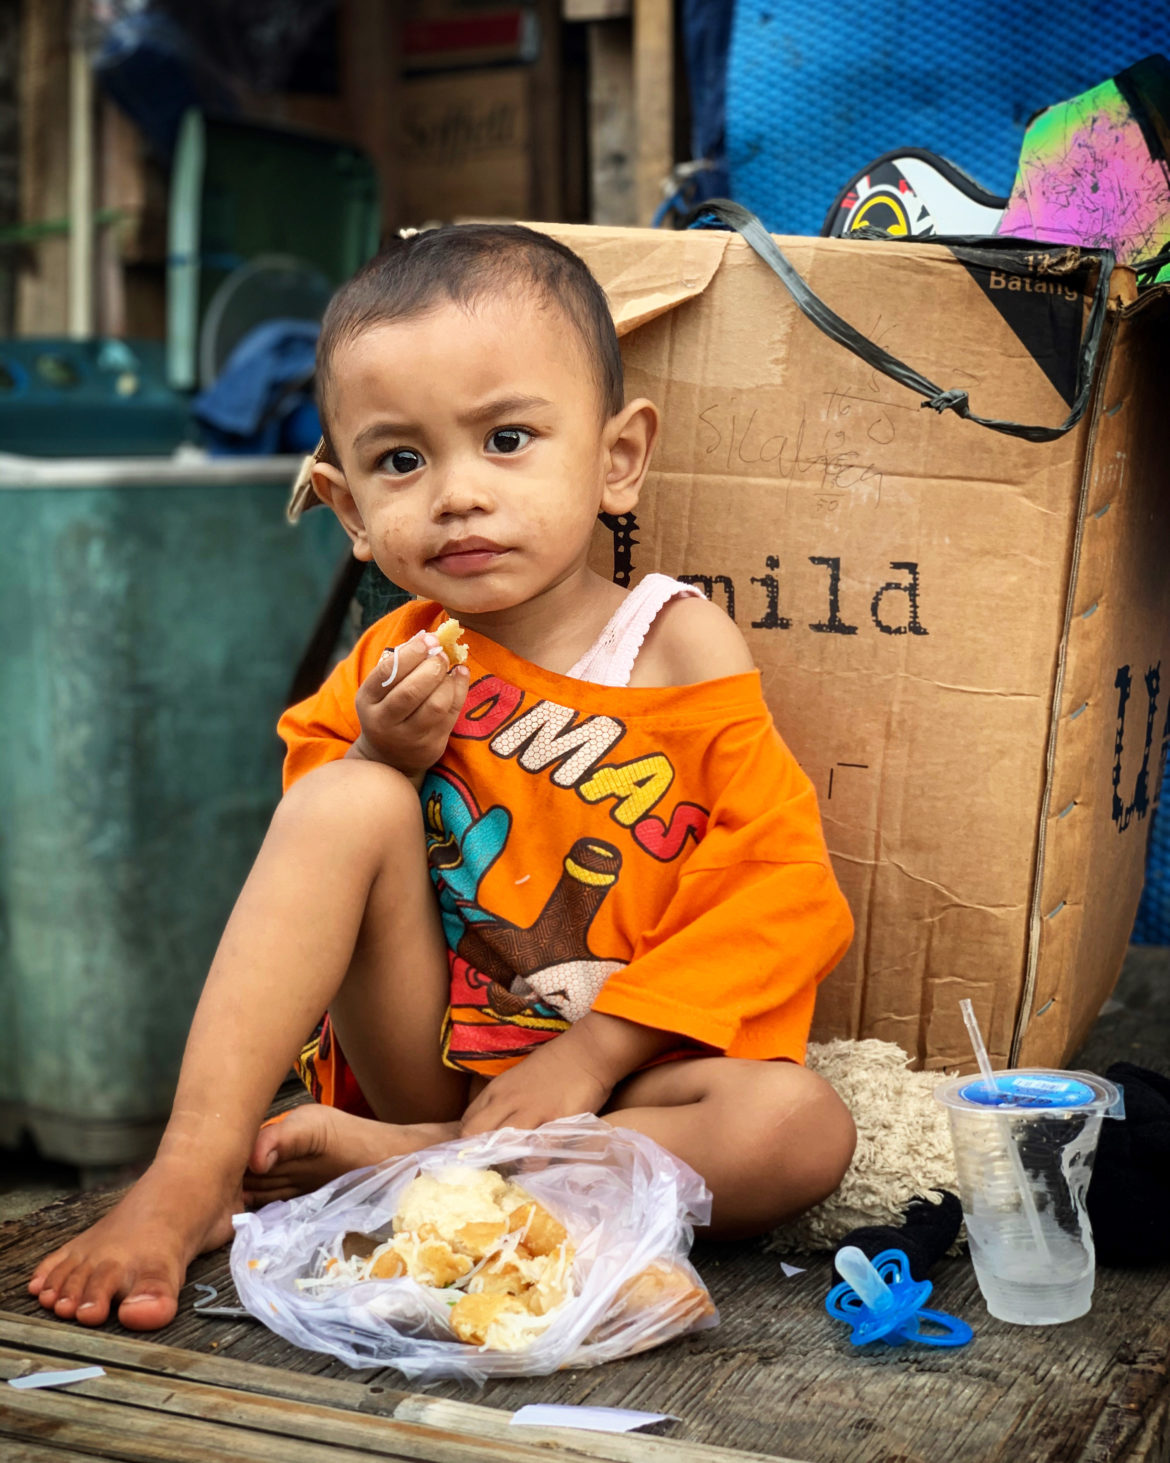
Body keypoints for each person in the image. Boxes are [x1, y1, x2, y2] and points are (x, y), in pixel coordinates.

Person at [29, 224, 856, 1332]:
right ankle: (189, 1167)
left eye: (506, 438)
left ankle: (418, 1162)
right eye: (402, 460)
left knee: (800, 1125)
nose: (458, 492)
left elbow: (781, 881)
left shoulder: (676, 642)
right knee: (347, 796)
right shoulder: (392, 662)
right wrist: (384, 757)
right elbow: (314, 880)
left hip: (616, 1080)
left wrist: (599, 1049)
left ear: (618, 458)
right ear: (351, 511)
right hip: (428, 1049)